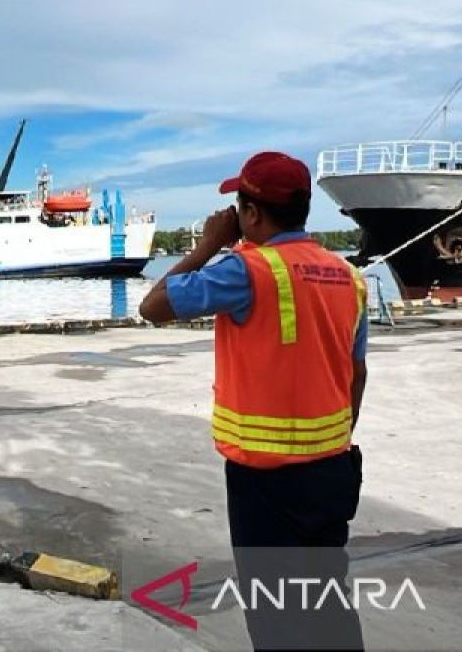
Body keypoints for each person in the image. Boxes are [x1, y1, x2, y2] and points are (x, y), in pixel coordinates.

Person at [140, 151, 368, 651]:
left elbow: (152, 307)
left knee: (277, 622)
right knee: (330, 607)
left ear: (252, 213)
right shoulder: (347, 277)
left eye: (237, 206)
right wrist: (331, 438)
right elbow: (357, 373)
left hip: (267, 485)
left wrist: (207, 245)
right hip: (333, 471)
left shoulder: (245, 271)